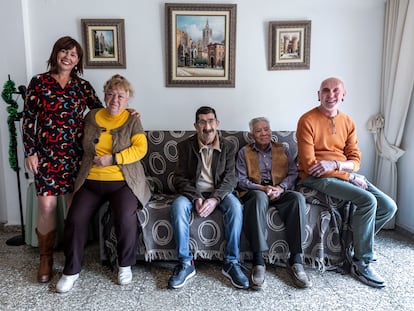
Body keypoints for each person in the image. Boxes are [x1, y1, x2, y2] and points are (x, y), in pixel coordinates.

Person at [296, 77, 397, 288]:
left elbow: (356, 160)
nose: (330, 95)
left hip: (339, 173)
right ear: (318, 95)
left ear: (343, 95)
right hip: (315, 179)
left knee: (389, 206)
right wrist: (348, 174)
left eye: (335, 91)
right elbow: (309, 164)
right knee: (367, 200)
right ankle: (362, 262)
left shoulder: (348, 122)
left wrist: (339, 166)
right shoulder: (307, 120)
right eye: (325, 90)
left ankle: (351, 246)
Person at [56, 74, 151, 293]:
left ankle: (124, 266)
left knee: (125, 217)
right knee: (75, 219)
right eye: (111, 94)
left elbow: (140, 149)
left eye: (121, 95)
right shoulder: (91, 116)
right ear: (104, 96)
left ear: (128, 99)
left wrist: (113, 158)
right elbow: (76, 139)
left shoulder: (132, 119)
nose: (115, 99)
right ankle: (71, 271)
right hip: (90, 180)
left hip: (122, 181)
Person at [22, 36, 103, 283]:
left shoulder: (82, 86)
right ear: (56, 53)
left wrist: (127, 112)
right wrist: (30, 151)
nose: (68, 57)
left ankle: (72, 255)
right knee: (47, 205)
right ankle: (45, 258)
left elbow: (100, 111)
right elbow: (28, 119)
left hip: (75, 155)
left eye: (74, 55)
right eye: (64, 52)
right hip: (45, 154)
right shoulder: (39, 82)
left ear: (78, 61)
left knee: (73, 206)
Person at [168, 106, 249, 290]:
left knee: (236, 207)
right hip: (192, 194)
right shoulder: (185, 146)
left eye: (211, 121)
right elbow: (179, 178)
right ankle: (186, 263)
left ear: (217, 123)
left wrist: (215, 199)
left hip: (219, 193)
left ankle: (231, 262)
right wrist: (196, 197)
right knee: (178, 207)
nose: (207, 126)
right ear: (196, 126)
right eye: (202, 122)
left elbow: (230, 178)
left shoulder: (228, 146)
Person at [236, 117, 311, 289]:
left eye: (266, 129)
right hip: (257, 191)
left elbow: (293, 174)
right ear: (251, 134)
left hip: (279, 190)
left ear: (271, 131)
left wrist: (281, 188)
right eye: (258, 130)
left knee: (297, 199)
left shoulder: (282, 149)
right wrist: (262, 188)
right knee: (257, 198)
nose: (263, 133)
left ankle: (296, 259)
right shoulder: (244, 152)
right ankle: (258, 261)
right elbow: (241, 180)